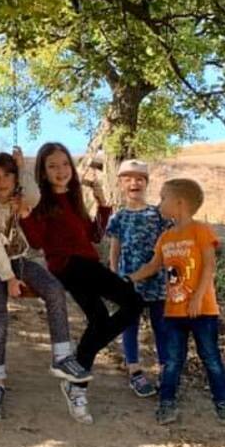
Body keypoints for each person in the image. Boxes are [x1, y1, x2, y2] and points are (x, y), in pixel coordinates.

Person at [21, 142, 141, 424]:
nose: (60, 171)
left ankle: (76, 386)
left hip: (87, 264)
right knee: (134, 301)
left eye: (64, 164)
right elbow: (37, 241)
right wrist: (26, 215)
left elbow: (95, 236)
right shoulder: (40, 199)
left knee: (99, 322)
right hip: (69, 266)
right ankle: (73, 368)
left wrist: (102, 204)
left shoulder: (73, 198)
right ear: (43, 171)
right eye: (52, 166)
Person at [0, 149, 84, 416]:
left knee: (55, 290)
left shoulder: (22, 198)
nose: (2, 182)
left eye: (8, 175)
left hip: (19, 260)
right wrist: (9, 278)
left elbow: (35, 195)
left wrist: (22, 168)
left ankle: (61, 355)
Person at [129, 178, 225, 426]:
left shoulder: (201, 230)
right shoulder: (165, 237)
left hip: (203, 310)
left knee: (211, 357)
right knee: (173, 360)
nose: (159, 203)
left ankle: (224, 404)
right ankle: (167, 404)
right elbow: (153, 266)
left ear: (180, 203)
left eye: (163, 198)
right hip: (174, 311)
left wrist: (198, 297)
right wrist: (126, 278)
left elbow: (209, 265)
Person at [106, 159, 170, 398]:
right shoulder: (118, 217)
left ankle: (166, 370)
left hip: (157, 282)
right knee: (129, 326)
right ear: (121, 184)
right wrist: (114, 277)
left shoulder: (158, 214)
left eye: (140, 179)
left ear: (146, 183)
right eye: (128, 179)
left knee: (161, 327)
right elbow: (115, 248)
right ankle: (134, 370)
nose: (135, 183)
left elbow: (169, 246)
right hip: (128, 283)